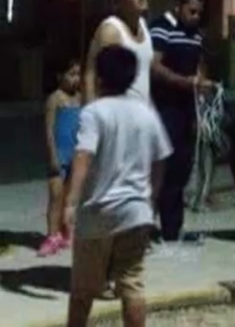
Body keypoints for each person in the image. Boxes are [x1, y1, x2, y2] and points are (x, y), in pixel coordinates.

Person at [64, 46, 172, 327]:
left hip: (97, 212)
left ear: (99, 77)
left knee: (82, 291)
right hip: (136, 212)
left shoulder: (94, 113)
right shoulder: (146, 113)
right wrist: (152, 198)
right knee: (131, 285)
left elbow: (83, 155)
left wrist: (71, 202)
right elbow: (161, 158)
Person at [149, 0, 214, 243]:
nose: (196, 17)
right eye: (191, 11)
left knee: (181, 167)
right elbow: (154, 66)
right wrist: (185, 82)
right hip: (163, 107)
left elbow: (199, 65)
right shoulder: (161, 27)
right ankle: (147, 227)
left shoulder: (195, 34)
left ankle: (172, 230)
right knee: (161, 168)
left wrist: (201, 87)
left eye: (199, 13)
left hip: (187, 108)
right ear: (178, 6)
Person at [83, 0, 153, 104]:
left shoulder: (143, 25)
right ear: (116, 0)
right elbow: (92, 76)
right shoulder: (111, 30)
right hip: (117, 112)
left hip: (140, 110)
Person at [39, 59, 81, 257]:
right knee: (55, 196)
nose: (76, 79)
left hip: (75, 154)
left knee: (68, 197)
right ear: (59, 76)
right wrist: (53, 155)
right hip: (59, 154)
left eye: (78, 74)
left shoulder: (80, 99)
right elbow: (49, 130)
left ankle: (65, 231)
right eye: (71, 74)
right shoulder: (54, 99)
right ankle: (51, 235)